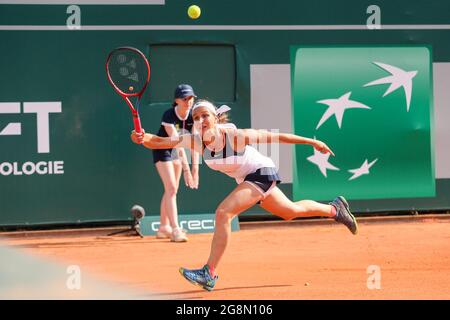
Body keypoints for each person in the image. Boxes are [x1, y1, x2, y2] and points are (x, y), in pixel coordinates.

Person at [131, 99, 358, 290]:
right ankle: (335, 209)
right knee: (290, 211)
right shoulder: (196, 141)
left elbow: (277, 138)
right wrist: (142, 137)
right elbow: (160, 142)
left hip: (261, 173)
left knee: (223, 213)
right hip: (247, 179)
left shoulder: (236, 137)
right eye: (196, 118)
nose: (200, 121)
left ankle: (209, 272)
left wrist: (313, 142)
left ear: (216, 118)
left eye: (205, 116)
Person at [151, 84, 199, 242]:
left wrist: (195, 170)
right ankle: (175, 230)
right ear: (176, 100)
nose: (189, 101)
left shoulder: (194, 116)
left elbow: (194, 144)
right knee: (171, 188)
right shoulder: (169, 115)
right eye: (185, 98)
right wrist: (186, 169)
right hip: (163, 149)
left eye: (191, 97)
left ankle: (163, 227)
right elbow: (177, 144)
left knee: (172, 189)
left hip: (177, 152)